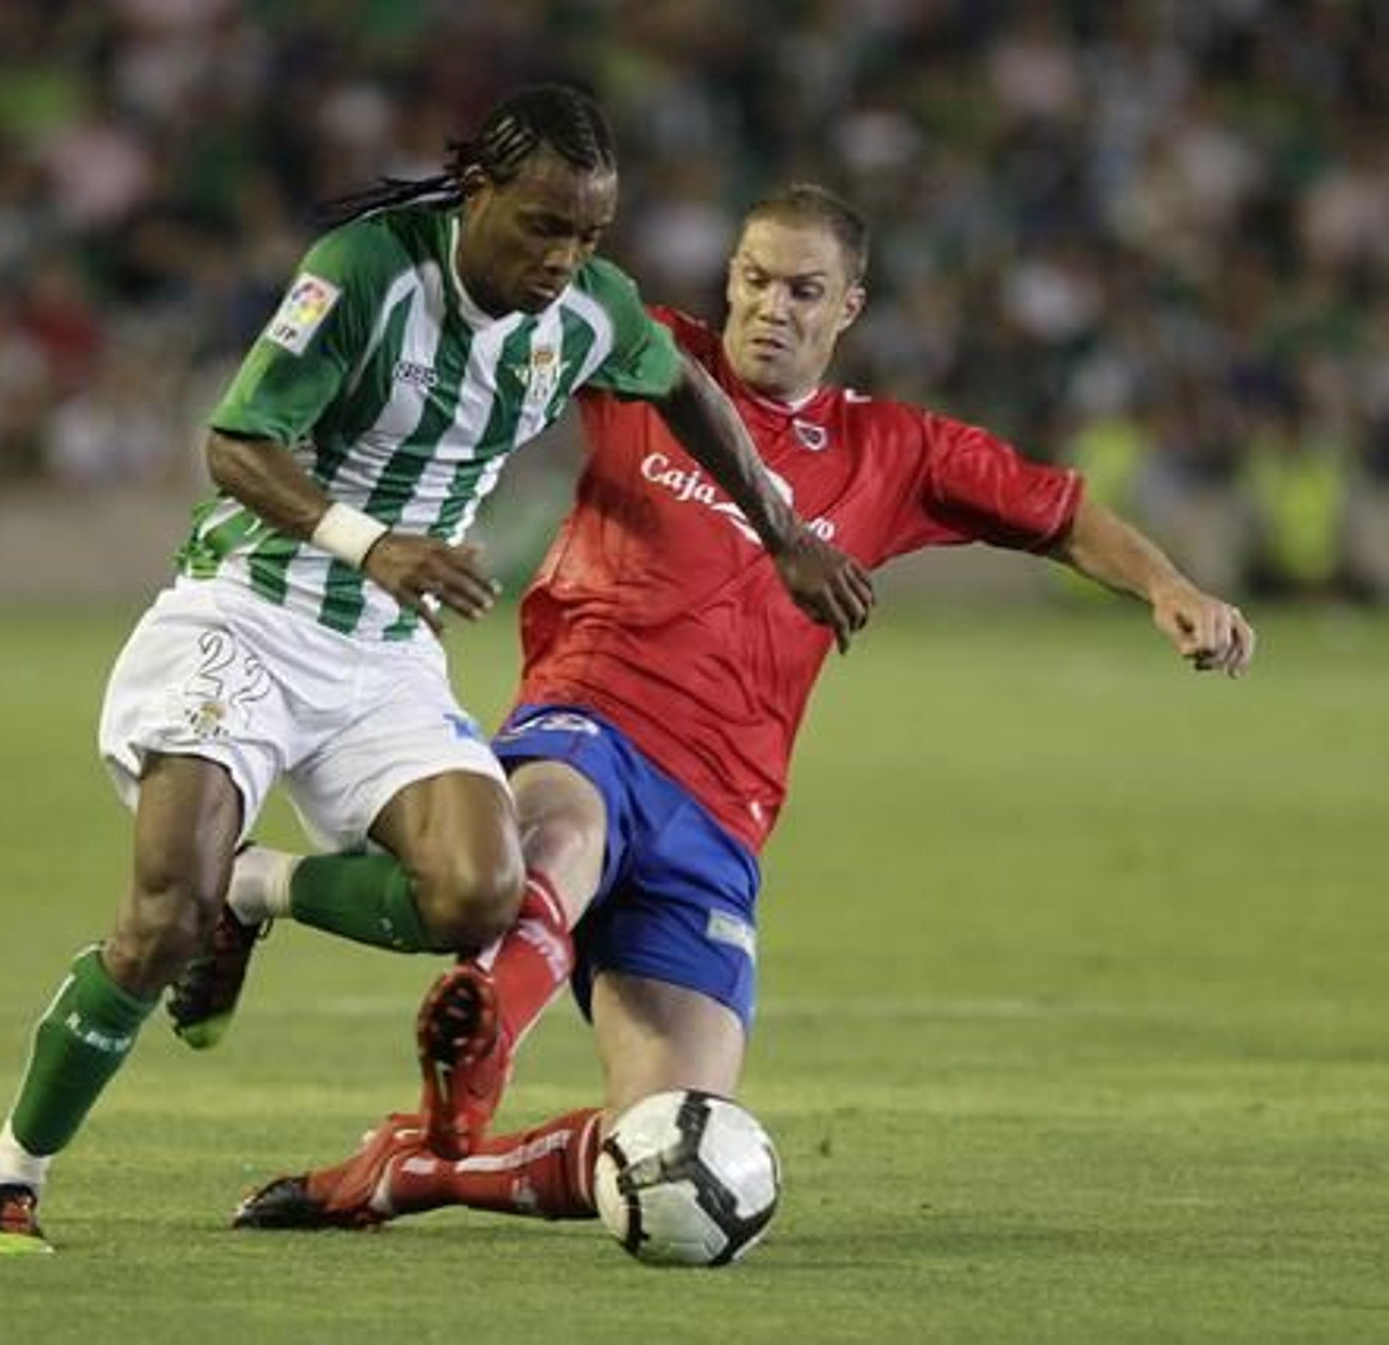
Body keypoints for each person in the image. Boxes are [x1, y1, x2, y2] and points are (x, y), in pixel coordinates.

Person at [218, 183, 1256, 1233]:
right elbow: (492, 299)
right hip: (589, 718)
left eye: (803, 290)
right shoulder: (646, 355)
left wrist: (1169, 586)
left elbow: (1060, 511)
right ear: (727, 280)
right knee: (560, 835)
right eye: (753, 281)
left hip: (721, 815)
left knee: (675, 1142)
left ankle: (419, 1172)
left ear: (848, 306)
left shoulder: (895, 450)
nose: (772, 307)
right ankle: (477, 1052)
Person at [0, 91, 870, 1255]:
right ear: (477, 193)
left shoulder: (586, 309)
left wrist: (780, 527)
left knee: (477, 897)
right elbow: (235, 442)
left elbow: (680, 386)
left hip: (382, 654)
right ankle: (8, 1175)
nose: (563, 259)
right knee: (161, 917)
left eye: (587, 235)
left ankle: (260, 886)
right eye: (541, 226)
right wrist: (370, 543)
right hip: (249, 612)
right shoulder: (368, 270)